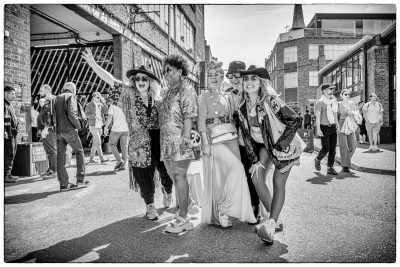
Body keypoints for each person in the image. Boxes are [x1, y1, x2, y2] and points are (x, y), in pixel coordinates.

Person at [81, 48, 174, 221]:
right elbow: (111, 80)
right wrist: (93, 64)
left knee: (166, 172)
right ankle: (150, 206)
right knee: (143, 174)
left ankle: (168, 192)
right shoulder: (127, 95)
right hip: (139, 142)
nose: (140, 81)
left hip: (160, 140)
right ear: (133, 81)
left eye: (144, 78)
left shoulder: (159, 99)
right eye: (137, 78)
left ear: (151, 82)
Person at [237, 66, 303, 244]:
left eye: (254, 78)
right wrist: (254, 160)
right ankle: (274, 221)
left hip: (285, 146)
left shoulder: (270, 100)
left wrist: (280, 146)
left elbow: (295, 119)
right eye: (246, 79)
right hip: (266, 147)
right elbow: (247, 136)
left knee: (277, 183)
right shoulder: (242, 107)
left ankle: (271, 223)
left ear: (260, 83)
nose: (249, 82)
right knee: (256, 176)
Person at [198, 60, 256, 228]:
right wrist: (205, 143)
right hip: (215, 140)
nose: (213, 78)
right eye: (210, 75)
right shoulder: (203, 97)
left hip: (231, 138)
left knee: (231, 175)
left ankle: (241, 212)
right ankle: (223, 208)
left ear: (222, 77)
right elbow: (201, 122)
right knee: (236, 168)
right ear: (207, 79)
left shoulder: (228, 96)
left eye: (217, 75)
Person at [158, 54, 198, 233]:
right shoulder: (168, 92)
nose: (166, 74)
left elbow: (189, 115)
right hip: (166, 140)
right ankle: (186, 205)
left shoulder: (186, 89)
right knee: (172, 175)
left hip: (180, 139)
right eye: (164, 71)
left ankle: (184, 217)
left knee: (179, 175)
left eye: (169, 70)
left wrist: (186, 138)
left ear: (180, 71)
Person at [226, 60, 260, 221]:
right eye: (230, 76)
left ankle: (255, 206)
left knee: (253, 175)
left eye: (237, 75)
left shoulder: (250, 92)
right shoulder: (228, 94)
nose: (234, 79)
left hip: (253, 141)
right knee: (239, 175)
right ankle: (241, 205)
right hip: (235, 141)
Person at [53, 82, 87, 191]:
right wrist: (79, 126)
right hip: (69, 130)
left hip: (58, 131)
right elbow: (72, 114)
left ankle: (64, 184)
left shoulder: (56, 97)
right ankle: (80, 180)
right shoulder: (70, 96)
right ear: (72, 89)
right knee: (79, 152)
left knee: (60, 158)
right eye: (75, 89)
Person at [314, 83, 339, 175]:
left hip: (332, 127)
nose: (331, 91)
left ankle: (330, 167)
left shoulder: (332, 101)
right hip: (324, 128)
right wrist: (318, 129)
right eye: (330, 89)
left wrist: (337, 125)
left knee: (333, 149)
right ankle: (318, 159)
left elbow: (334, 114)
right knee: (326, 147)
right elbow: (317, 117)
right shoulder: (320, 103)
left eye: (332, 89)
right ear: (324, 91)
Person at [37, 84, 57, 178]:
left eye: (41, 91)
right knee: (49, 150)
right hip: (46, 129)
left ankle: (54, 171)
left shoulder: (51, 101)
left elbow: (49, 117)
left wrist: (45, 129)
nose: (40, 93)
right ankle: (51, 169)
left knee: (51, 150)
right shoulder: (48, 101)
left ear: (48, 91)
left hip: (48, 129)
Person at [104, 97, 129, 171]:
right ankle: (123, 165)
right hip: (126, 128)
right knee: (124, 146)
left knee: (112, 144)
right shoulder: (126, 104)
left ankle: (119, 161)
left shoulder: (113, 106)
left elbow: (109, 118)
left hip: (116, 129)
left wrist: (105, 127)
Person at [85, 92, 109, 164]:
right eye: (98, 97)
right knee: (98, 142)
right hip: (93, 126)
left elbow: (106, 111)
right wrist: (94, 116)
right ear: (93, 97)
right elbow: (87, 115)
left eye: (100, 97)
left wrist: (103, 103)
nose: (99, 99)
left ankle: (91, 159)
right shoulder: (89, 105)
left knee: (95, 144)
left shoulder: (100, 104)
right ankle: (102, 158)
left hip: (99, 126)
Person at [337, 89, 357, 172]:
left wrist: (352, 115)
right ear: (341, 95)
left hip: (350, 124)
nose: (348, 96)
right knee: (344, 146)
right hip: (341, 124)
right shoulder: (338, 104)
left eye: (349, 94)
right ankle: (345, 166)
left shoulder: (352, 103)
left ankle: (346, 160)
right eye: (345, 94)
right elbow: (335, 116)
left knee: (353, 146)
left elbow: (355, 114)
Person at [4, 86, 19, 183]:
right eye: (12, 94)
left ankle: (8, 174)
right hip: (8, 135)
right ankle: (6, 175)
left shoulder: (9, 104)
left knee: (11, 153)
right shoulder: (4, 105)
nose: (14, 95)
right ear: (6, 93)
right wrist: (5, 132)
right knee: (8, 154)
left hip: (12, 134)